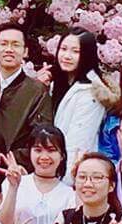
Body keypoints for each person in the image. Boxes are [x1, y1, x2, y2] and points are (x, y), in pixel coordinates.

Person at [7, 123, 73, 224]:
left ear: (62, 155)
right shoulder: (14, 182)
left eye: (51, 150)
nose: (44, 157)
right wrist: (13, 188)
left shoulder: (70, 194)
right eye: (38, 150)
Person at [50, 29, 117, 167]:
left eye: (75, 51)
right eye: (63, 49)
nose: (67, 56)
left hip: (73, 170)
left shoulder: (91, 92)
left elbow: (78, 142)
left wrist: (62, 178)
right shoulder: (58, 84)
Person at [0, 23, 54, 153]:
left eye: (15, 44)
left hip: (15, 168)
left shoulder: (36, 91)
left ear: (25, 52)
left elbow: (40, 139)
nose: (9, 49)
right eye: (3, 43)